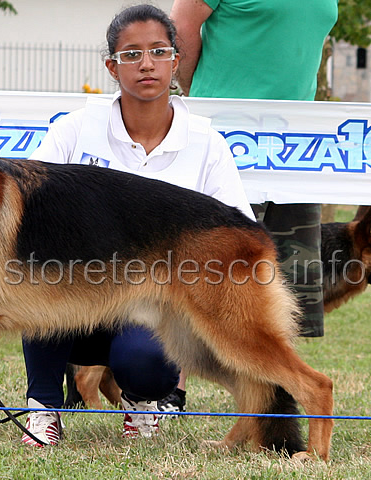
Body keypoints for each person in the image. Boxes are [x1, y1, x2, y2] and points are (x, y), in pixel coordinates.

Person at [20, 4, 255, 447]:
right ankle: (43, 405)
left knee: (146, 362)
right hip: (74, 295)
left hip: (154, 304)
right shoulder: (74, 130)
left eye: (158, 51)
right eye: (131, 55)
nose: (146, 64)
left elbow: (233, 235)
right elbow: (32, 211)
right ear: (112, 66)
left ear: (176, 59)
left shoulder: (206, 143)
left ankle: (142, 400)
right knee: (37, 271)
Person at [169, 0, 338, 407]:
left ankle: (271, 401)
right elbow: (180, 26)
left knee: (284, 283)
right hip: (228, 137)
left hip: (296, 150)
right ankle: (168, 393)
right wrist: (202, 96)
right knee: (201, 272)